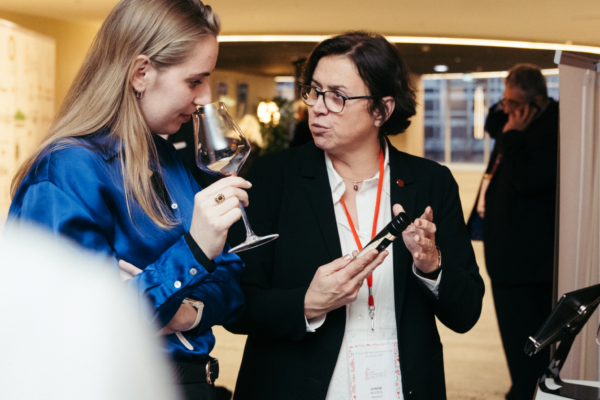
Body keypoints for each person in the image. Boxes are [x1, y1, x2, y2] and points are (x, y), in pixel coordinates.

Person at [7, 1, 249, 398]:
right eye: (194, 81)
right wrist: (193, 253)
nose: (205, 97)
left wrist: (185, 312)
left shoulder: (170, 159)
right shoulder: (68, 170)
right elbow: (73, 328)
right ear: (141, 73)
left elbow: (233, 283)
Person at [225, 31, 485, 400]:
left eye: (337, 96)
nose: (317, 106)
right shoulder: (272, 178)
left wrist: (432, 263)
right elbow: (234, 303)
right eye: (313, 91)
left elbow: (467, 312)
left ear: (381, 109)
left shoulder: (430, 183)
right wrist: (306, 303)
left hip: (402, 387)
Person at [477, 64, 558, 400]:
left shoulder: (553, 127)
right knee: (511, 336)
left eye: (512, 104)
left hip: (526, 260)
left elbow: (529, 180)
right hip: (504, 253)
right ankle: (522, 386)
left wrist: (513, 137)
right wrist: (509, 122)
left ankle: (528, 392)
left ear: (536, 101)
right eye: (504, 101)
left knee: (527, 339)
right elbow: (491, 123)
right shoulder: (514, 117)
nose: (504, 109)